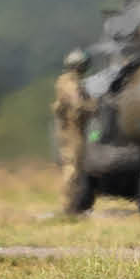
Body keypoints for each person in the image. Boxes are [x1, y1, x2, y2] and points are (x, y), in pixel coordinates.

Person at [52, 50, 94, 216]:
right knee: (72, 169)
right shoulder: (70, 83)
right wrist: (92, 107)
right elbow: (77, 104)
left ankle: (73, 206)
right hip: (72, 130)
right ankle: (68, 207)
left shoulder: (66, 81)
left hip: (71, 130)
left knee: (74, 168)